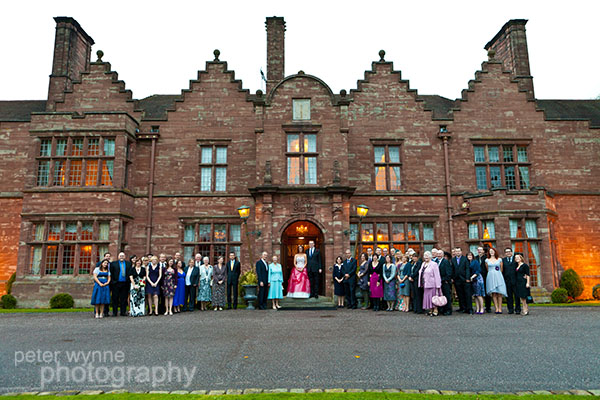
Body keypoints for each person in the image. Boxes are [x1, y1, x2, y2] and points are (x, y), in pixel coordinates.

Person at [418, 251, 442, 317]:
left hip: (432, 284)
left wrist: (438, 285)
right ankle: (430, 310)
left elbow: (437, 275)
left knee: (433, 297)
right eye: (425, 256)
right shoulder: (423, 264)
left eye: (427, 256)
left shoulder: (434, 264)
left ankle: (435, 310)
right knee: (427, 298)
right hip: (425, 284)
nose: (426, 257)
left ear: (430, 257)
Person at [485, 247, 507, 314]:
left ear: (495, 252)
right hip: (491, 276)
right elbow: (487, 269)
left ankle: (500, 308)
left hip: (498, 275)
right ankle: (496, 308)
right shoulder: (487, 260)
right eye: (490, 251)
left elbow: (501, 269)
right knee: (493, 293)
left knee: (499, 293)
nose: (491, 252)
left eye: (493, 251)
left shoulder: (499, 259)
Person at [109, 252, 131, 317]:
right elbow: (111, 273)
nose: (121, 257)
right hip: (116, 283)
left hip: (125, 283)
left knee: (123, 299)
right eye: (120, 256)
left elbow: (129, 273)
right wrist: (113, 282)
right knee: (115, 298)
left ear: (125, 257)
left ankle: (123, 312)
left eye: (123, 256)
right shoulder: (113, 264)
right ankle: (114, 312)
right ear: (118, 257)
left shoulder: (128, 264)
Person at [452, 247, 472, 314]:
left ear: (461, 252)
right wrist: (453, 278)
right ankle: (462, 308)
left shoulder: (465, 259)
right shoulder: (453, 260)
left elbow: (467, 269)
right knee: (460, 295)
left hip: (465, 279)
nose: (457, 252)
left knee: (467, 295)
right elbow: (452, 269)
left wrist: (467, 278)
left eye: (459, 251)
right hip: (457, 280)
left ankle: (469, 309)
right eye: (456, 251)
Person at [436, 249, 454, 316]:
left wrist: (445, 279)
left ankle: (448, 310)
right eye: (438, 254)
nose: (439, 255)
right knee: (441, 296)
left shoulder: (445, 262)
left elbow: (449, 272)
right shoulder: (436, 262)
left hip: (445, 282)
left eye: (440, 254)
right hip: (438, 282)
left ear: (443, 255)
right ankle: (442, 309)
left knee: (447, 296)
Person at [503, 248, 521, 315]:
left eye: (509, 252)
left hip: (515, 280)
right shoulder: (503, 260)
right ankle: (510, 309)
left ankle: (518, 309)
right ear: (505, 253)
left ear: (512, 252)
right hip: (507, 281)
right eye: (506, 252)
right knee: (509, 296)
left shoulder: (516, 259)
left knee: (516, 296)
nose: (508, 253)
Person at [475, 246, 491, 313]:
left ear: (483, 251)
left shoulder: (486, 258)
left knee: (487, 292)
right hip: (477, 277)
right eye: (478, 250)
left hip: (485, 276)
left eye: (480, 250)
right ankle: (479, 307)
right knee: (478, 293)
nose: (479, 251)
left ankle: (488, 307)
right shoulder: (475, 258)